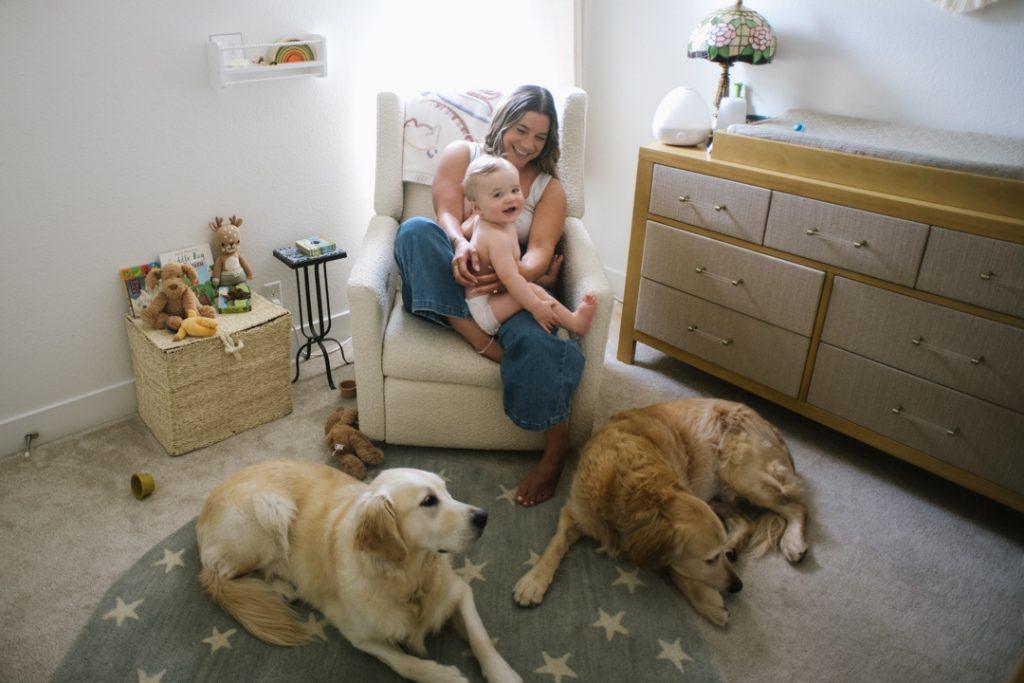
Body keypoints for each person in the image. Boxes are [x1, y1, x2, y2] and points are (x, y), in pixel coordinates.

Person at [394, 85, 582, 507]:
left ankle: (554, 453)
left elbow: (539, 252)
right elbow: (444, 208)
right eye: (522, 130)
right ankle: (476, 338)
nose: (528, 144)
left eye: (540, 137)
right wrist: (458, 245)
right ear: (503, 121)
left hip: (504, 292)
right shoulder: (463, 154)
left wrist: (509, 279)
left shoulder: (550, 189)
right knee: (413, 232)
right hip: (453, 275)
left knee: (542, 341)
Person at [461, 154, 597, 337]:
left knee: (530, 284)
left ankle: (547, 281)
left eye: (515, 190)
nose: (510, 199)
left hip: (494, 297)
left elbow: (513, 270)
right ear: (477, 208)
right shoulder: (495, 237)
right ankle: (575, 322)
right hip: (486, 308)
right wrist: (536, 308)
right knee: (533, 291)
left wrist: (544, 277)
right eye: (498, 195)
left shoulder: (498, 223)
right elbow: (511, 280)